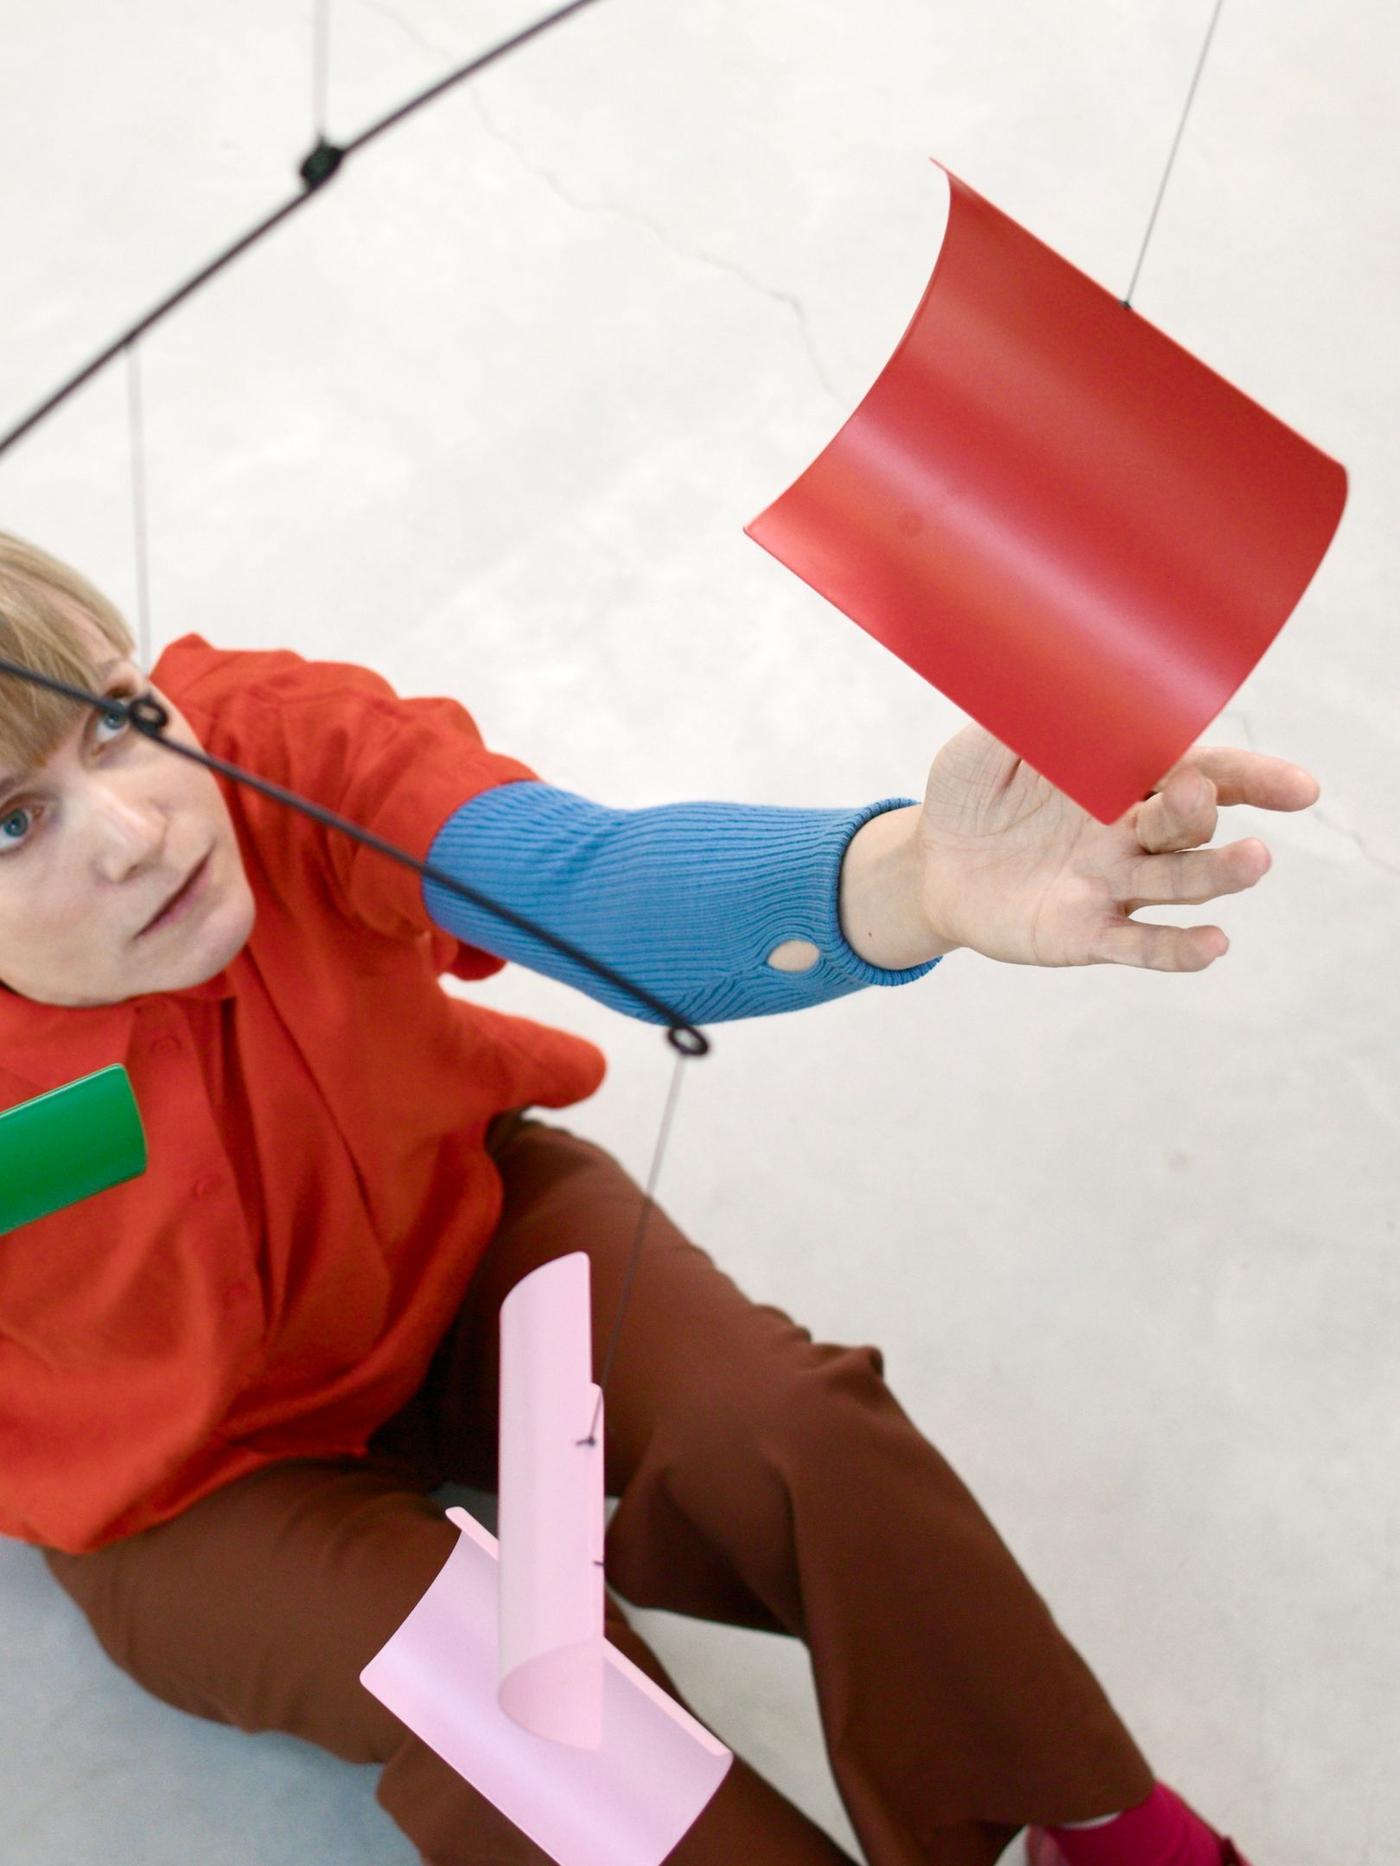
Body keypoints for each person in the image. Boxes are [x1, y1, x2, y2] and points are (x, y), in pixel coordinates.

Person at [0, 528, 1294, 1866]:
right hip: (190, 1482)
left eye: (116, 717)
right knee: (522, 1709)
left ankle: (1097, 1818)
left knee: (794, 1430)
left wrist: (917, 879)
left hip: (464, 1240)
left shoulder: (272, 750)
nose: (137, 831)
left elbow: (579, 879)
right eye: (11, 821)